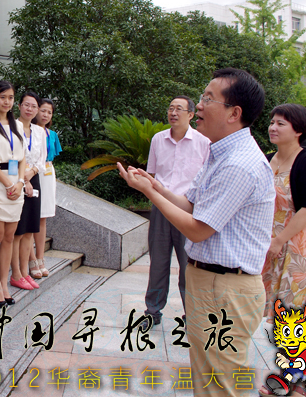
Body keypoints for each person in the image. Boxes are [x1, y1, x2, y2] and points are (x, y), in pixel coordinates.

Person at [117, 68, 274, 397]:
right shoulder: (220, 153)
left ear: (233, 113)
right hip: (212, 284)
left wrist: (149, 194)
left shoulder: (239, 164)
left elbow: (198, 229)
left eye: (208, 99)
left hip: (226, 288)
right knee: (207, 380)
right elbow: (190, 204)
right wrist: (155, 186)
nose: (198, 105)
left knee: (221, 385)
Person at [140, 96, 210, 330]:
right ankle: (152, 311)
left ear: (190, 115)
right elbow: (152, 174)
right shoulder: (158, 139)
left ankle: (191, 314)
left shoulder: (203, 143)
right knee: (158, 262)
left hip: (189, 210)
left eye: (179, 109)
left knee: (188, 265)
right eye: (171, 108)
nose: (173, 113)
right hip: (161, 208)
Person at [262, 104, 306, 320]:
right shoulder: (266, 159)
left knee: (293, 311)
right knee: (263, 303)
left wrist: (279, 241)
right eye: (272, 122)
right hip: (267, 241)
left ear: (298, 130)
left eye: (281, 124)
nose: (273, 127)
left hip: (296, 244)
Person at [0, 81, 27, 307]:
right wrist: (8, 183)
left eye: (10, 97)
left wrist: (19, 182)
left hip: (15, 185)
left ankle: (3, 281)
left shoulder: (18, 125)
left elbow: (23, 158)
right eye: (2, 97)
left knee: (10, 236)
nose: (7, 101)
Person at [9, 92, 46, 291]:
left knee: (29, 230)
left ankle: (25, 272)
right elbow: (11, 157)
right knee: (18, 231)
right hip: (16, 179)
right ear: (20, 106)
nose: (29, 109)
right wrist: (24, 179)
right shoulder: (11, 126)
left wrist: (31, 174)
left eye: (33, 106)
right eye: (26, 105)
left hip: (34, 178)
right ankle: (15, 274)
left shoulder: (39, 131)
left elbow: (42, 159)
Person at [28, 98, 61, 279]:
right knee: (31, 216)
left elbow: (51, 157)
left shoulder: (52, 135)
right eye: (43, 110)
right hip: (32, 172)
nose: (46, 115)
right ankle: (31, 259)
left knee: (43, 217)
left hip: (47, 173)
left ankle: (40, 258)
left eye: (49, 112)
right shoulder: (29, 130)